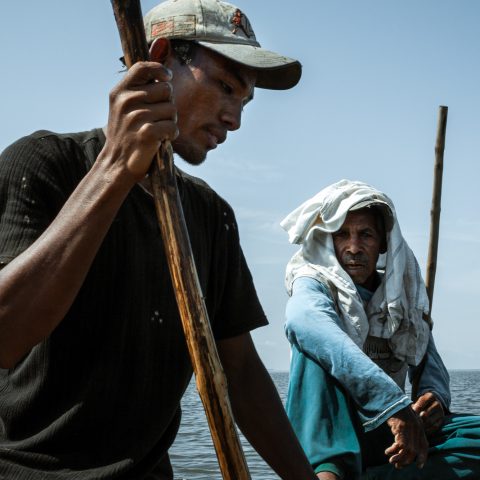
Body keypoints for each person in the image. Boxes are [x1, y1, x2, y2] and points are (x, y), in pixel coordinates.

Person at [0, 0, 318, 478]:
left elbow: (243, 374)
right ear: (161, 59)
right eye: (226, 87)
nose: (234, 119)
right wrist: (115, 171)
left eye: (245, 102)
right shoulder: (43, 164)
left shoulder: (210, 216)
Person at [281, 179, 480, 480]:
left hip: (387, 432)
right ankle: (331, 473)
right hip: (333, 434)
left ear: (383, 243)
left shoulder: (402, 294)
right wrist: (392, 405)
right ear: (329, 241)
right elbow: (303, 323)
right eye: (343, 235)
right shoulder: (314, 283)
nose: (354, 248)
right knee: (315, 346)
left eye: (366, 235)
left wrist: (433, 399)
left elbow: (427, 356)